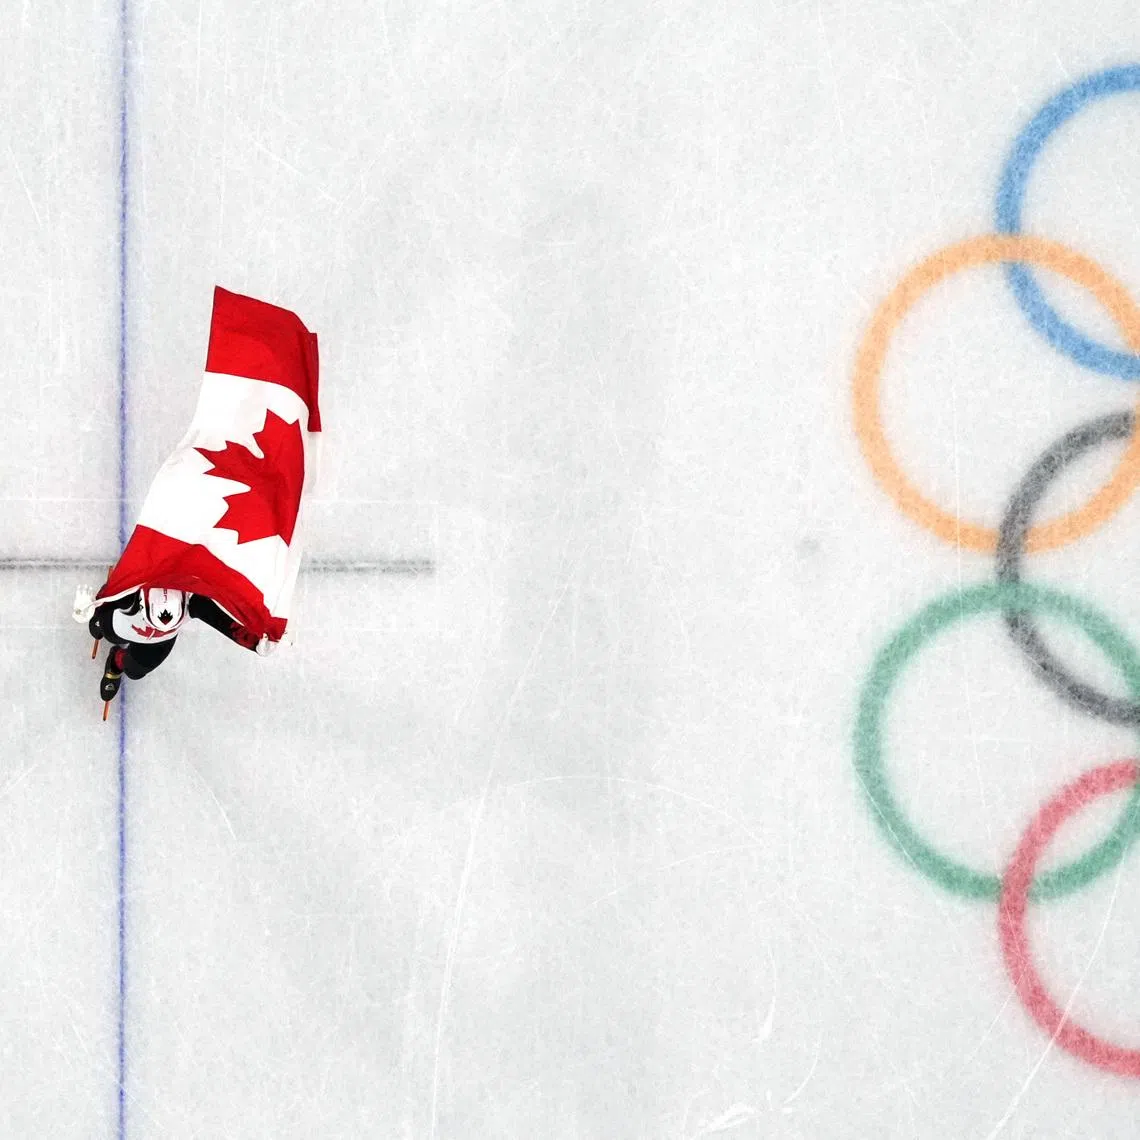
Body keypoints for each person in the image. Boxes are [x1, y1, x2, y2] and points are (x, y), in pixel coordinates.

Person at [88, 585, 269, 704]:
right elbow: (106, 596)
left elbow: (227, 625)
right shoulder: (129, 594)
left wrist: (256, 643)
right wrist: (91, 609)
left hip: (158, 641)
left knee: (134, 671)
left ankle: (117, 660)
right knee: (106, 627)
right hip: (125, 623)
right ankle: (101, 626)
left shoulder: (194, 601)